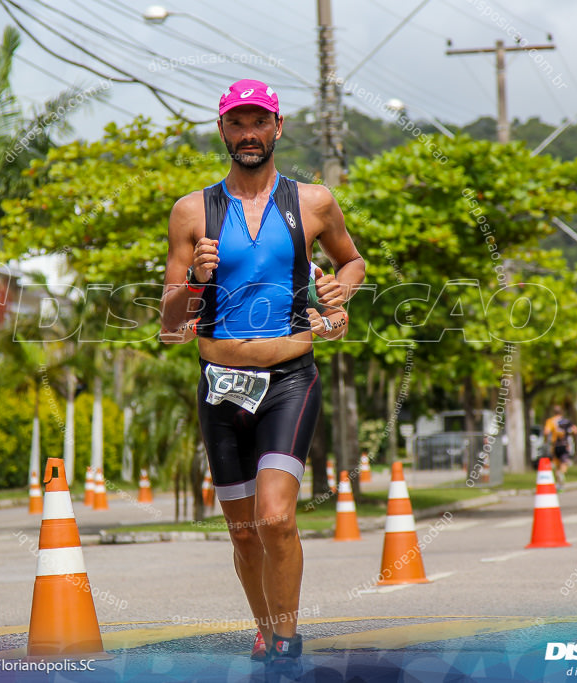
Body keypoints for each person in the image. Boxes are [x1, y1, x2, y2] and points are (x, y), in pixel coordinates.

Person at [160, 79, 365, 675]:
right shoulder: (192, 211)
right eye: (237, 123)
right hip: (219, 380)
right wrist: (195, 283)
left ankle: (287, 639)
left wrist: (338, 293)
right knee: (244, 532)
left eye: (259, 122)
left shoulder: (314, 202)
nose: (248, 134)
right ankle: (264, 626)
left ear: (279, 127)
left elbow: (351, 261)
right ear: (221, 130)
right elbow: (171, 319)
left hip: (290, 377)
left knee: (275, 517)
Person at [543, 406, 577, 490]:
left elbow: (546, 432)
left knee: (557, 465)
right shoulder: (567, 421)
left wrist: (546, 440)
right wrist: (569, 433)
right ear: (562, 412)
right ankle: (561, 474)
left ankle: (559, 484)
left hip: (555, 445)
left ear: (553, 412)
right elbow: (576, 430)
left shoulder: (550, 421)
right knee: (564, 463)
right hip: (565, 445)